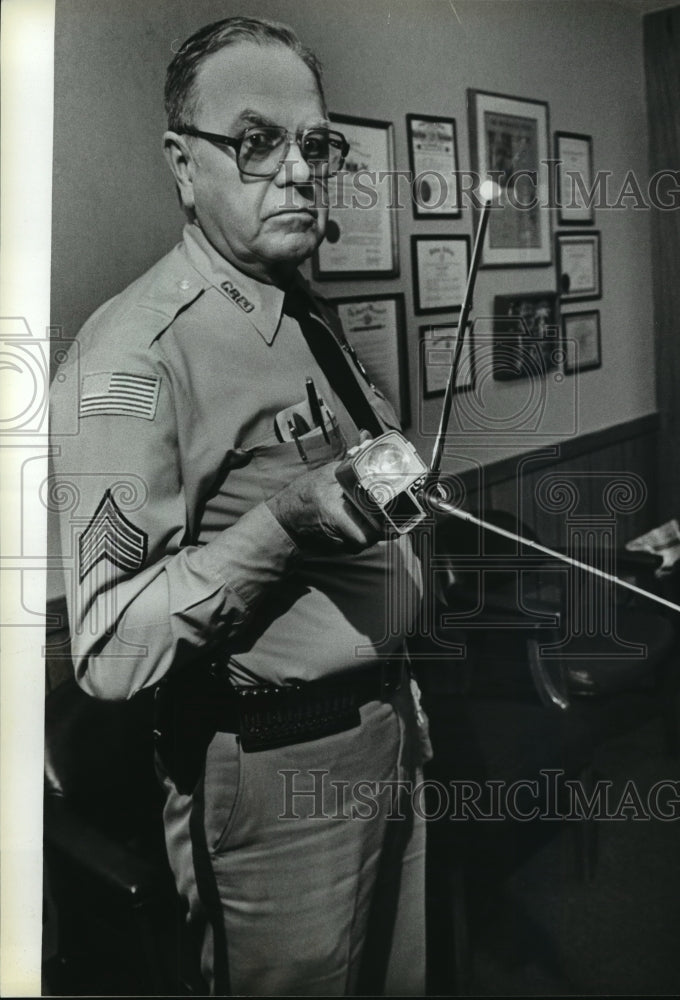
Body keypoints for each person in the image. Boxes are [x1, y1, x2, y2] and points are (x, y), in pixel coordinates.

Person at [49, 16, 428, 996]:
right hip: (270, 773)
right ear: (183, 162)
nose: (297, 171)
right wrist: (285, 524)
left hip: (388, 727)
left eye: (313, 143)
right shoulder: (127, 359)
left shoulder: (301, 308)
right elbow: (110, 647)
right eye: (256, 141)